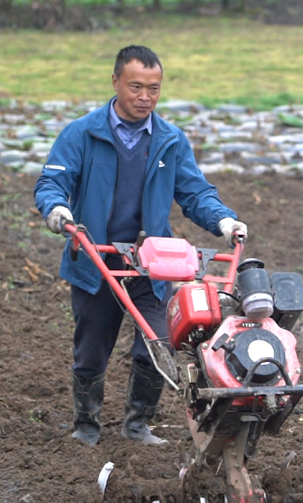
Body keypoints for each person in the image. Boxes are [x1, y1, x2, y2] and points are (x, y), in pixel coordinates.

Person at [34, 45, 248, 446]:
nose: (145, 97)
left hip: (151, 264)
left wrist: (223, 220)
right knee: (91, 349)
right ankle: (86, 425)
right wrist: (57, 210)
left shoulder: (169, 139)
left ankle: (137, 425)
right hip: (96, 260)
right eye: (136, 87)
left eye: (154, 88)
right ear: (115, 82)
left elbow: (195, 192)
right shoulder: (82, 133)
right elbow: (52, 182)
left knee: (158, 343)